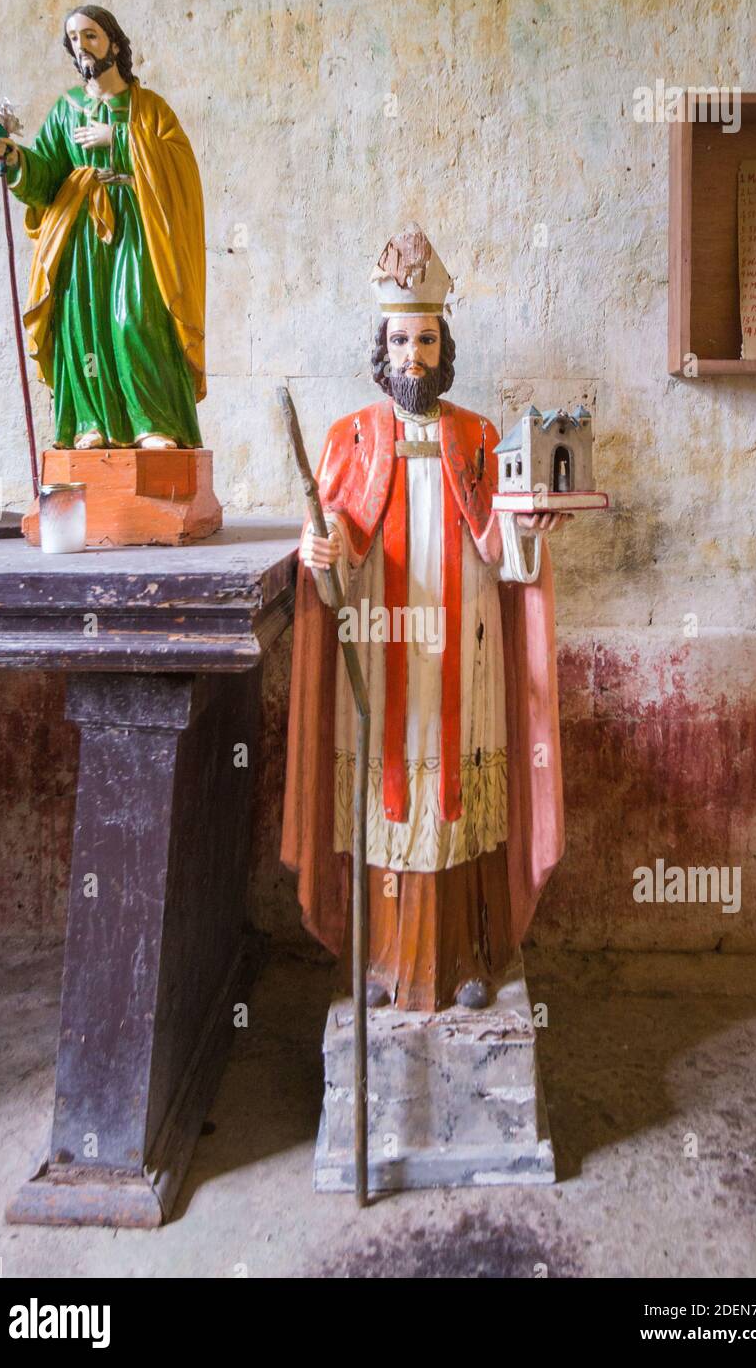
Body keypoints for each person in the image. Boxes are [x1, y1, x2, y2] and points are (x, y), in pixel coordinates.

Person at [282, 223, 570, 1011]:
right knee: (386, 796)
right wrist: (322, 545)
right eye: (401, 339)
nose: (413, 355)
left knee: (462, 800)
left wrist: (527, 534)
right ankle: (383, 961)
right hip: (376, 653)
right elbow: (334, 539)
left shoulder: (480, 438)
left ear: (446, 348)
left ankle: (466, 957)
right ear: (383, 345)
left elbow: (506, 551)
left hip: (467, 656)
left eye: (427, 339)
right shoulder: (350, 437)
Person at [0, 5, 205, 451]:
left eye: (91, 36)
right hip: (81, 229)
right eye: (75, 38)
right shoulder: (67, 109)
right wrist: (15, 158)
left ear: (115, 44)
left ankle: (153, 423)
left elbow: (180, 168)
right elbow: (47, 175)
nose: (82, 45)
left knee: (134, 320)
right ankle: (89, 422)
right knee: (81, 324)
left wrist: (118, 139)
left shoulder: (150, 108)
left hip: (138, 229)